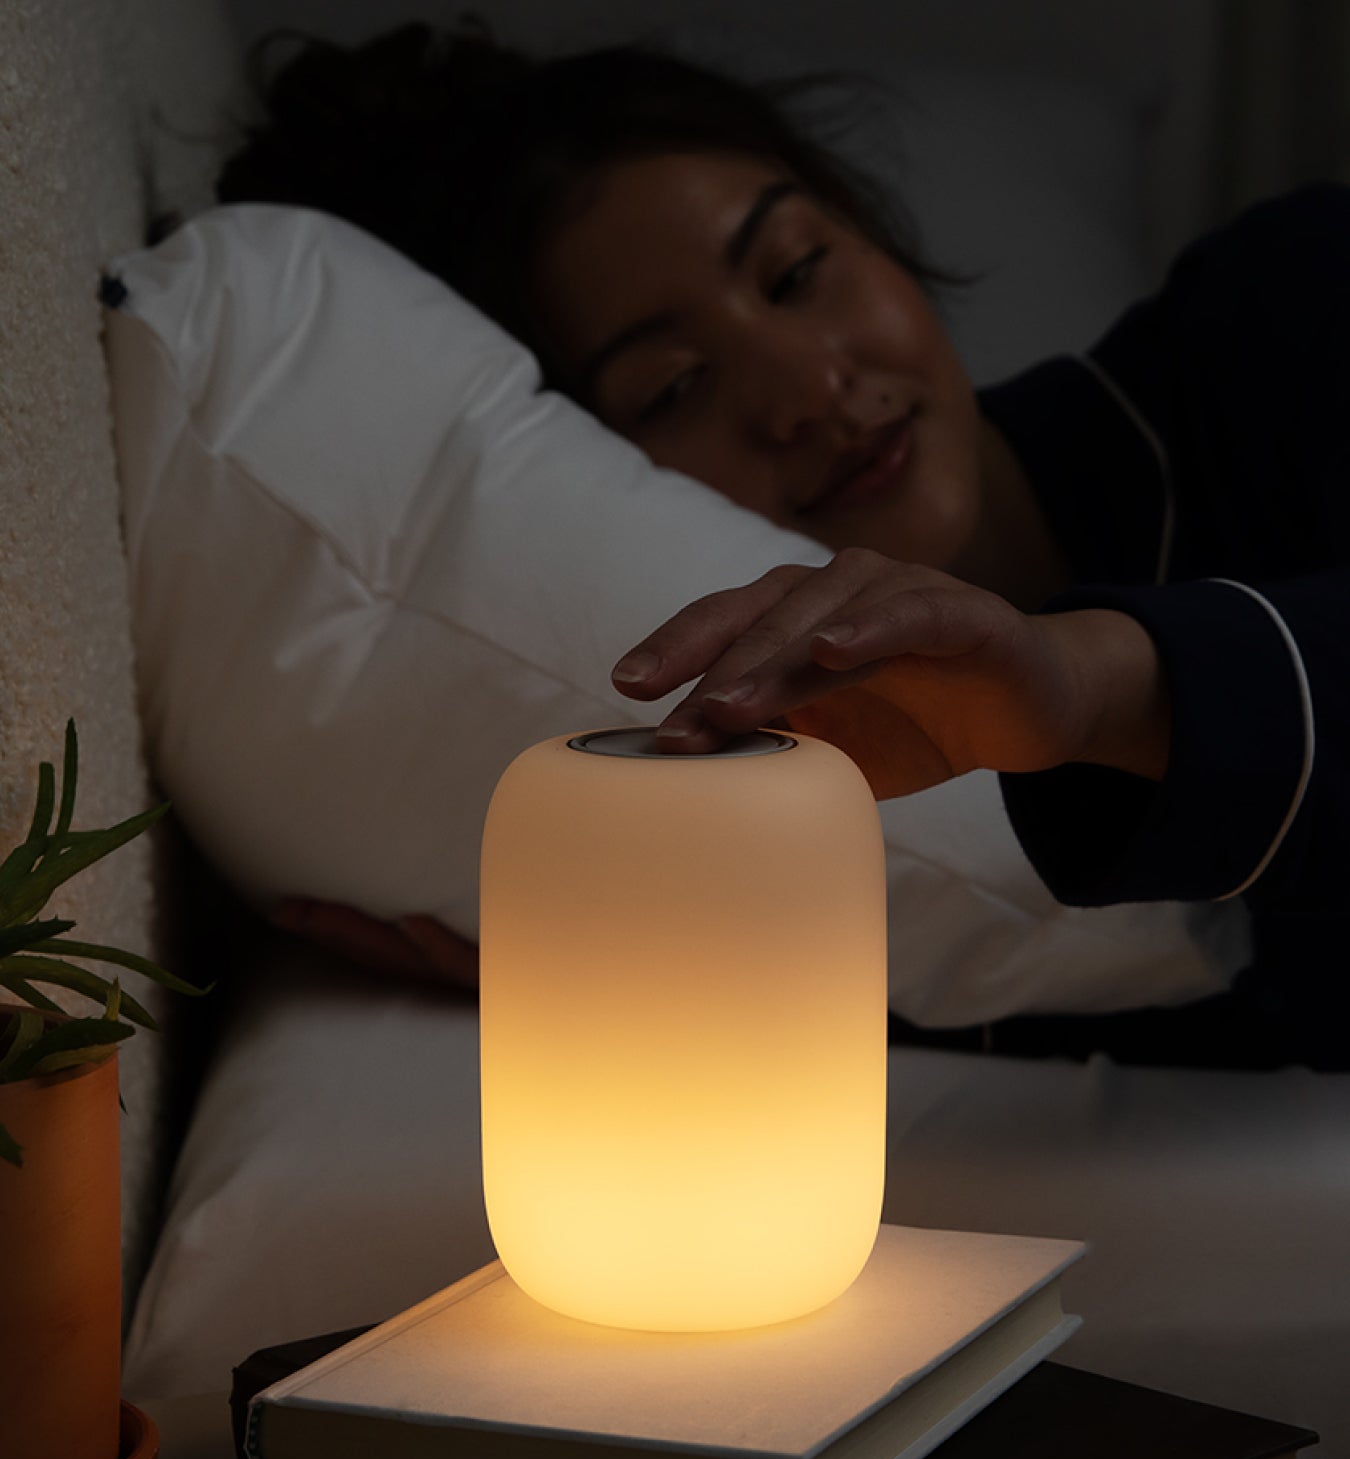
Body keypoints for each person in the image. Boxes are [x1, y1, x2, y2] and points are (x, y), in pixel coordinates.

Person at [221, 23, 1349, 1069]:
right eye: (675, 387)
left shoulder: (1290, 313)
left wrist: (1090, 684)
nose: (811, 389)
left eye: (799, 272)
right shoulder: (810, 836)